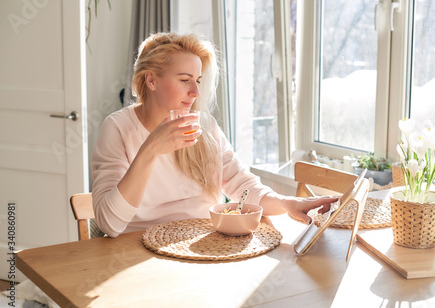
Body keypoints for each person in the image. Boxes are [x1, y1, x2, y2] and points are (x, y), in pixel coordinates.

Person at [91, 31, 337, 237]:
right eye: (185, 79)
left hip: (202, 246)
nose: (195, 92)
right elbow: (110, 225)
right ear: (151, 80)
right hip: (136, 249)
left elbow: (243, 186)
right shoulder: (118, 128)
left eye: (198, 80)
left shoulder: (204, 126)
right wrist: (151, 149)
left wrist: (287, 203)